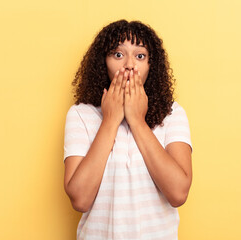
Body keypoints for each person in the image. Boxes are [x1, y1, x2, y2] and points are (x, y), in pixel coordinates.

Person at [63, 19, 192, 240]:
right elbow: (80, 200)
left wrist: (137, 121)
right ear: (103, 62)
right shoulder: (80, 115)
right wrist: (110, 120)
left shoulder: (172, 114)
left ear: (152, 65)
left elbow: (178, 193)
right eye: (118, 54)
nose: (130, 65)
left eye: (140, 56)